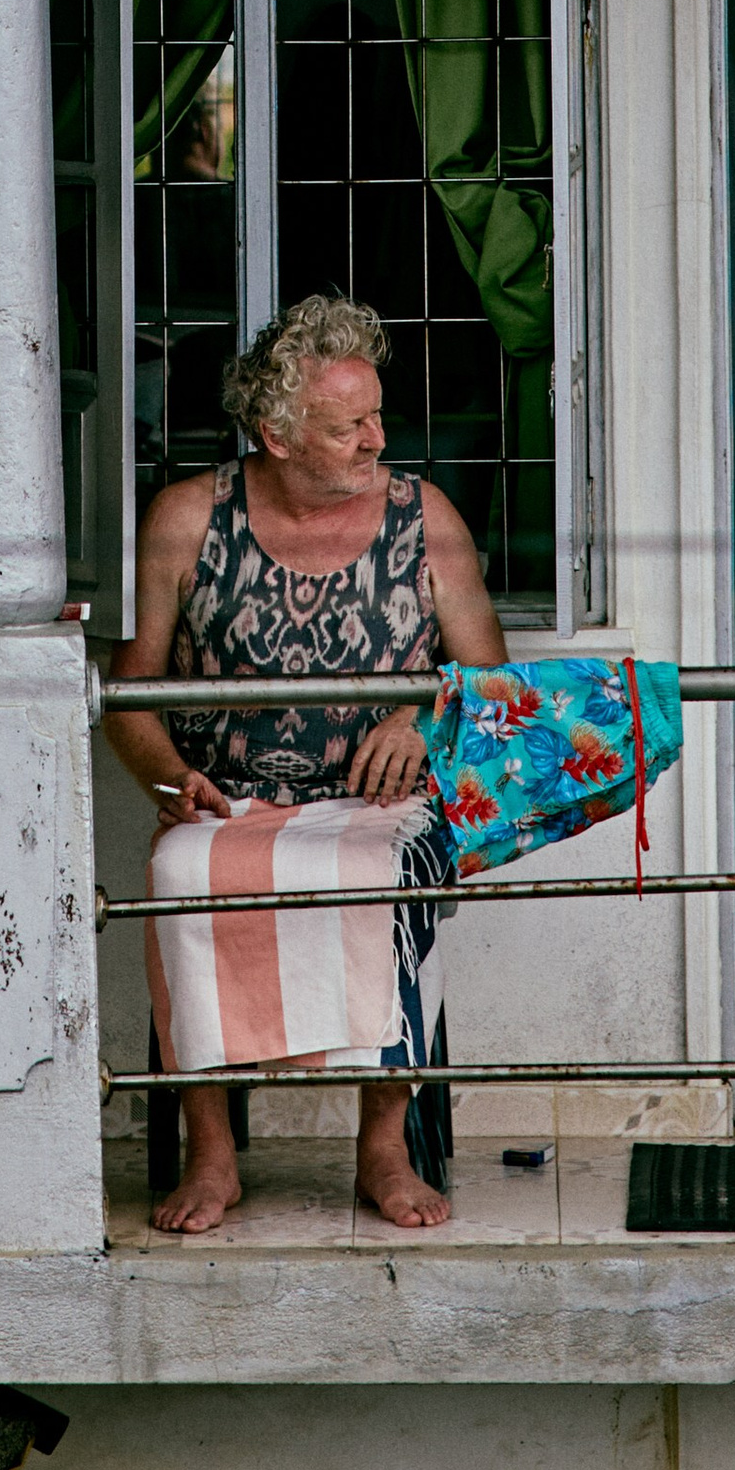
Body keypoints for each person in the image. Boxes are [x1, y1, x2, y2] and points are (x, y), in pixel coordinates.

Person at [105, 291, 508, 1235]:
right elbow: (128, 694)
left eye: (376, 417)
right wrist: (170, 780)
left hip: (382, 803)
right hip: (231, 804)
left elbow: (490, 676)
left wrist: (421, 717)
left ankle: (383, 1147)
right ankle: (212, 1153)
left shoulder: (424, 518)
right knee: (181, 871)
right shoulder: (185, 518)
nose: (377, 441)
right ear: (277, 437)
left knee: (381, 874)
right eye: (347, 427)